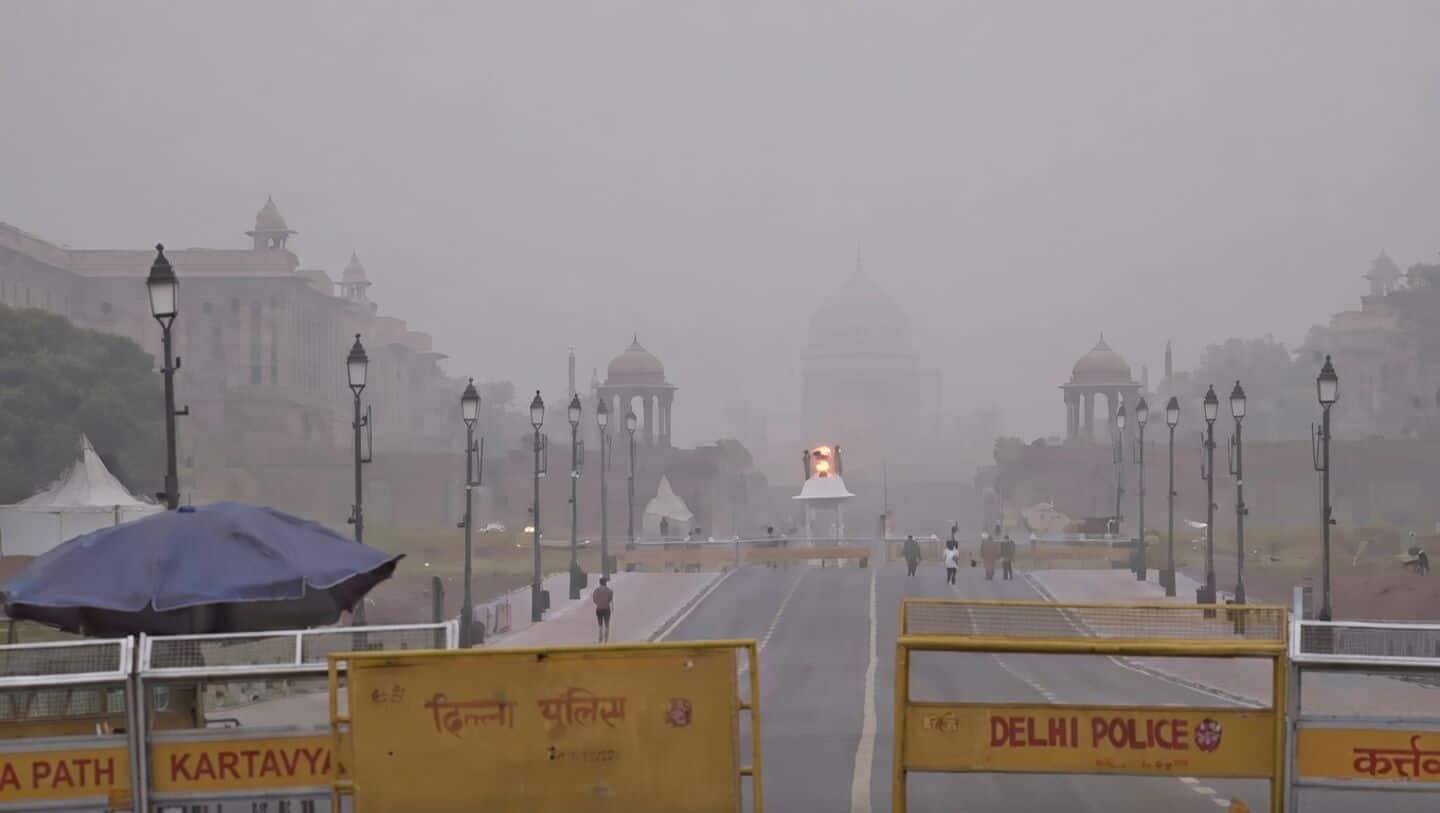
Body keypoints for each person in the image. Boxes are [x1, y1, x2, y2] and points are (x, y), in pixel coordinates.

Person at [592, 576, 614, 643]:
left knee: (600, 625)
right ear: (605, 583)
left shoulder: (596, 590)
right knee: (607, 625)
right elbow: (610, 600)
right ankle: (606, 642)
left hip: (599, 609)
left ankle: (600, 639)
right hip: (606, 609)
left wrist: (599, 603)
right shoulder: (610, 591)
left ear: (599, 583)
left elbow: (594, 600)